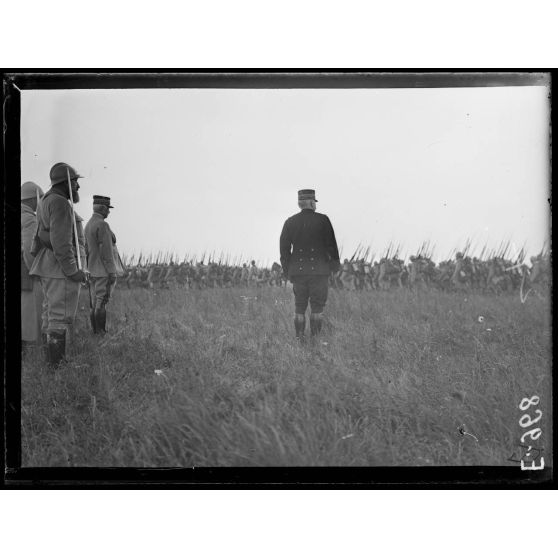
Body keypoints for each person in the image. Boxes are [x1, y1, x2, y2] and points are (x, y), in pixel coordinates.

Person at [29, 163, 87, 368]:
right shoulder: (60, 203)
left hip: (49, 268)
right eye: (75, 181)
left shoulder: (45, 200)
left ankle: (51, 364)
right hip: (61, 270)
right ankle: (57, 367)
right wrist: (73, 271)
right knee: (59, 318)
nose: (78, 186)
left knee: (50, 316)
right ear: (66, 182)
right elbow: (62, 244)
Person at [280, 189, 340, 341]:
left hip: (298, 273)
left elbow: (284, 251)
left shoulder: (289, 222)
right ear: (312, 203)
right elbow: (331, 246)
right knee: (317, 307)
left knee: (299, 308)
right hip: (319, 272)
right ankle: (316, 339)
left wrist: (288, 272)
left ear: (300, 203)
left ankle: (299, 339)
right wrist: (334, 268)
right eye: (315, 202)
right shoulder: (323, 220)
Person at [84, 196, 125, 334]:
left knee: (95, 303)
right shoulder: (102, 225)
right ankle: (100, 333)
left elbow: (86, 250)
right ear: (102, 208)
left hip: (92, 270)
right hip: (103, 272)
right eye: (108, 208)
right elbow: (106, 250)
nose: (109, 211)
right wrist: (112, 271)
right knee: (101, 303)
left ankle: (95, 332)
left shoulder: (89, 224)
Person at [21, 181, 46, 351]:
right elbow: (30, 251)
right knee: (30, 315)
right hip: (27, 274)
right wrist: (37, 272)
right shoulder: (30, 219)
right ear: (32, 200)